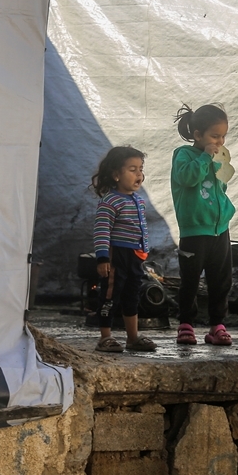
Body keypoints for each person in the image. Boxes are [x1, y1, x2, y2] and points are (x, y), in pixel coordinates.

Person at [171, 103, 236, 346]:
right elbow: (188, 178)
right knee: (190, 279)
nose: (220, 141)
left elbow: (220, 186)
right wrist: (205, 156)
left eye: (223, 136)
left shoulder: (216, 156)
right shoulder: (183, 155)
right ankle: (186, 324)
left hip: (219, 229)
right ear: (197, 135)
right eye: (214, 136)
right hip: (194, 230)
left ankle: (217, 325)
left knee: (221, 279)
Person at [90, 146, 157, 353]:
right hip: (115, 256)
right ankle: (105, 337)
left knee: (132, 296)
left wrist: (142, 251)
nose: (139, 174)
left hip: (134, 257)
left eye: (141, 169)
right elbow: (102, 231)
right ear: (116, 175)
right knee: (110, 296)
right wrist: (102, 258)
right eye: (132, 169)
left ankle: (132, 337)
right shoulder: (110, 201)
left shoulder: (138, 200)